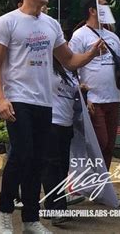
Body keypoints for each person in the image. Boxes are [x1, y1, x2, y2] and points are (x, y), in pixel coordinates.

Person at [0, 0, 105, 234]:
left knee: (39, 160)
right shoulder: (7, 21)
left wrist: (91, 53)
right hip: (18, 99)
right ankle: (4, 210)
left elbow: (68, 60)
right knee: (22, 154)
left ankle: (31, 220)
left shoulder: (51, 24)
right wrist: (0, 98)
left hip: (45, 102)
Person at [68, 0, 120, 170]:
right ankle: (85, 177)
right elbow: (71, 65)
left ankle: (102, 186)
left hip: (113, 96)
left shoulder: (112, 36)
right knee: (100, 142)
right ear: (92, 11)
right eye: (103, 5)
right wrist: (82, 93)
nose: (108, 8)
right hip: (93, 99)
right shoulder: (80, 36)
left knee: (109, 145)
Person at [41, 58, 79, 226]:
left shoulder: (70, 69)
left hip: (67, 123)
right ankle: (58, 209)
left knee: (63, 166)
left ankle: (50, 205)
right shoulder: (46, 64)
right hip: (51, 121)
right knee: (53, 165)